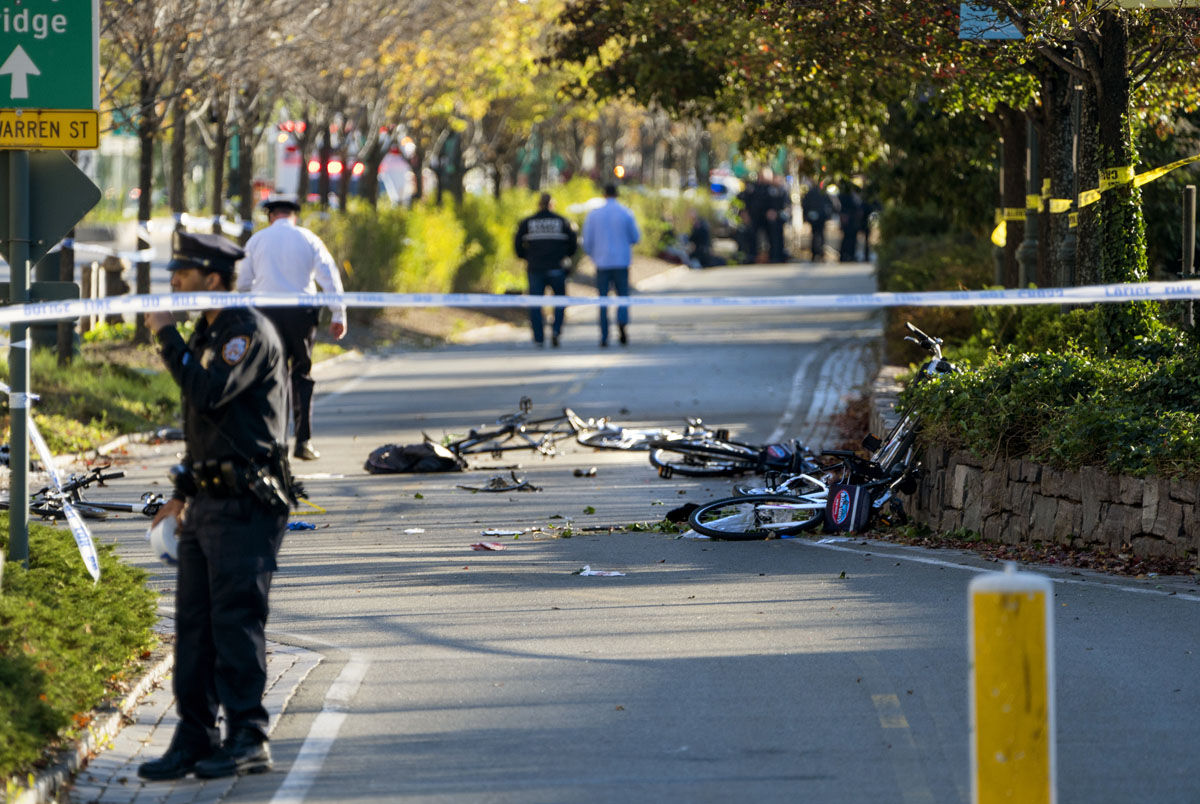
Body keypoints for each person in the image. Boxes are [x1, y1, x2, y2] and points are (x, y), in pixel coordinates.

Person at [139, 231, 295, 781]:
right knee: (195, 627)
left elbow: (207, 393)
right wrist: (180, 494)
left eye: (181, 274)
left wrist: (166, 338)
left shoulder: (244, 333)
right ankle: (195, 735)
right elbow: (204, 427)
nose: (172, 283)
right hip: (207, 502)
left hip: (246, 501)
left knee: (235, 620)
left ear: (211, 278)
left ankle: (248, 736)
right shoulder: (209, 333)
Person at [237, 193, 346, 461]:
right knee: (302, 374)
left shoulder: (257, 240)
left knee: (271, 376)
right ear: (294, 215)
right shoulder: (308, 239)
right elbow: (329, 276)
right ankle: (304, 441)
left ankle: (275, 442)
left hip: (266, 315)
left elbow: (240, 282)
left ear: (271, 215)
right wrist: (338, 314)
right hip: (301, 313)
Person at [515, 192, 577, 347]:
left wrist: (527, 257)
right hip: (557, 268)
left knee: (535, 303)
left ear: (538, 204)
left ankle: (539, 337)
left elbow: (517, 244)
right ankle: (556, 331)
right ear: (552, 205)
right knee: (560, 301)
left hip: (535, 268)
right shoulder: (562, 221)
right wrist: (564, 256)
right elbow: (573, 243)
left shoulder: (528, 222)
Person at [582, 183, 640, 347]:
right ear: (617, 194)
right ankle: (622, 323)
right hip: (621, 262)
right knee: (623, 297)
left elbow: (587, 241)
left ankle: (604, 335)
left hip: (602, 262)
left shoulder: (594, 215)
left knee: (603, 299)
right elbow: (635, 237)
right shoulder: (626, 213)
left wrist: (594, 254)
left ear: (603, 194)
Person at [801, 181, 836, 262]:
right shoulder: (817, 193)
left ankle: (817, 253)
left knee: (817, 235)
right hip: (818, 217)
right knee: (818, 235)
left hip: (819, 217)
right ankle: (817, 253)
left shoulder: (814, 193)